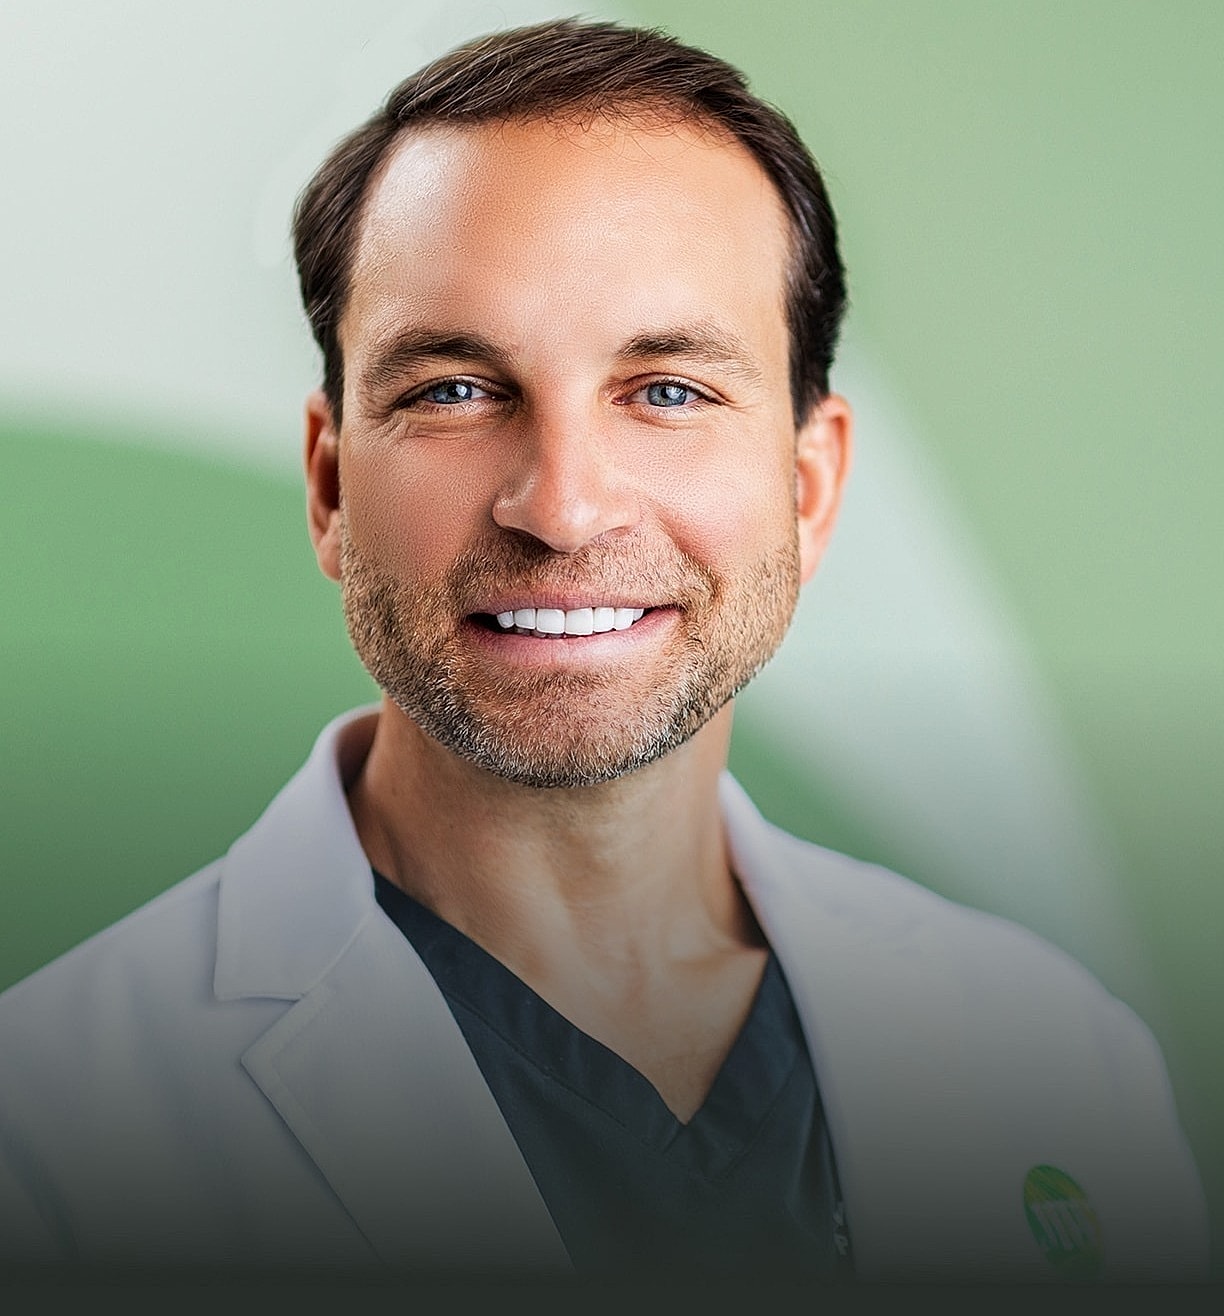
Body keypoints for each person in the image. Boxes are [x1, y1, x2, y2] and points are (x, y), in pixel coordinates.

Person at [0, 19, 1208, 1282]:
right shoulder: (51, 1131)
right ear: (330, 487)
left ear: (810, 487)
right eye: (455, 389)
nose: (565, 506)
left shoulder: (1064, 1067)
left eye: (668, 390)